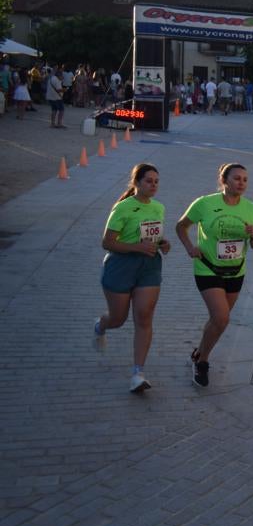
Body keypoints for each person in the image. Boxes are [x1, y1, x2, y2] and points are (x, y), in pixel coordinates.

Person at [175, 163, 253, 387]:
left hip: (235, 271)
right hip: (207, 268)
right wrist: (189, 247)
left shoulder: (252, 209)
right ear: (224, 181)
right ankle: (203, 362)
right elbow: (181, 226)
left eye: (245, 179)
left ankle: (199, 353)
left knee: (218, 320)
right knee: (222, 317)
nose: (241, 183)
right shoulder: (204, 203)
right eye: (236, 179)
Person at [94, 164, 171, 393]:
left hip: (149, 266)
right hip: (121, 265)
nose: (153, 185)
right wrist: (136, 247)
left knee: (144, 317)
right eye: (149, 181)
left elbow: (153, 236)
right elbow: (107, 242)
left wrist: (163, 244)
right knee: (118, 319)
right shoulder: (123, 208)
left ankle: (138, 373)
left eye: (156, 181)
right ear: (136, 183)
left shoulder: (159, 207)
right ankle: (100, 325)